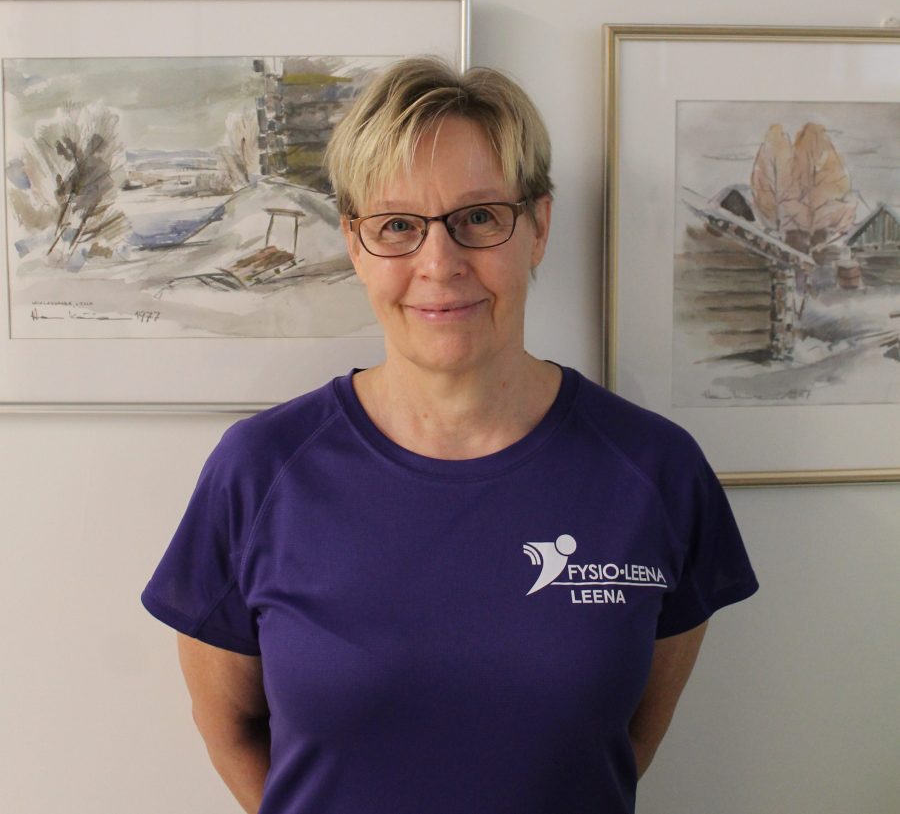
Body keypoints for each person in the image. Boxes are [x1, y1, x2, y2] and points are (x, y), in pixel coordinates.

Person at [142, 57, 758, 814]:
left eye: (480, 218)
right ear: (356, 243)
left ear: (538, 226)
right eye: (398, 225)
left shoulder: (656, 471)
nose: (440, 263)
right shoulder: (259, 472)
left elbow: (623, 744)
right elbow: (229, 725)